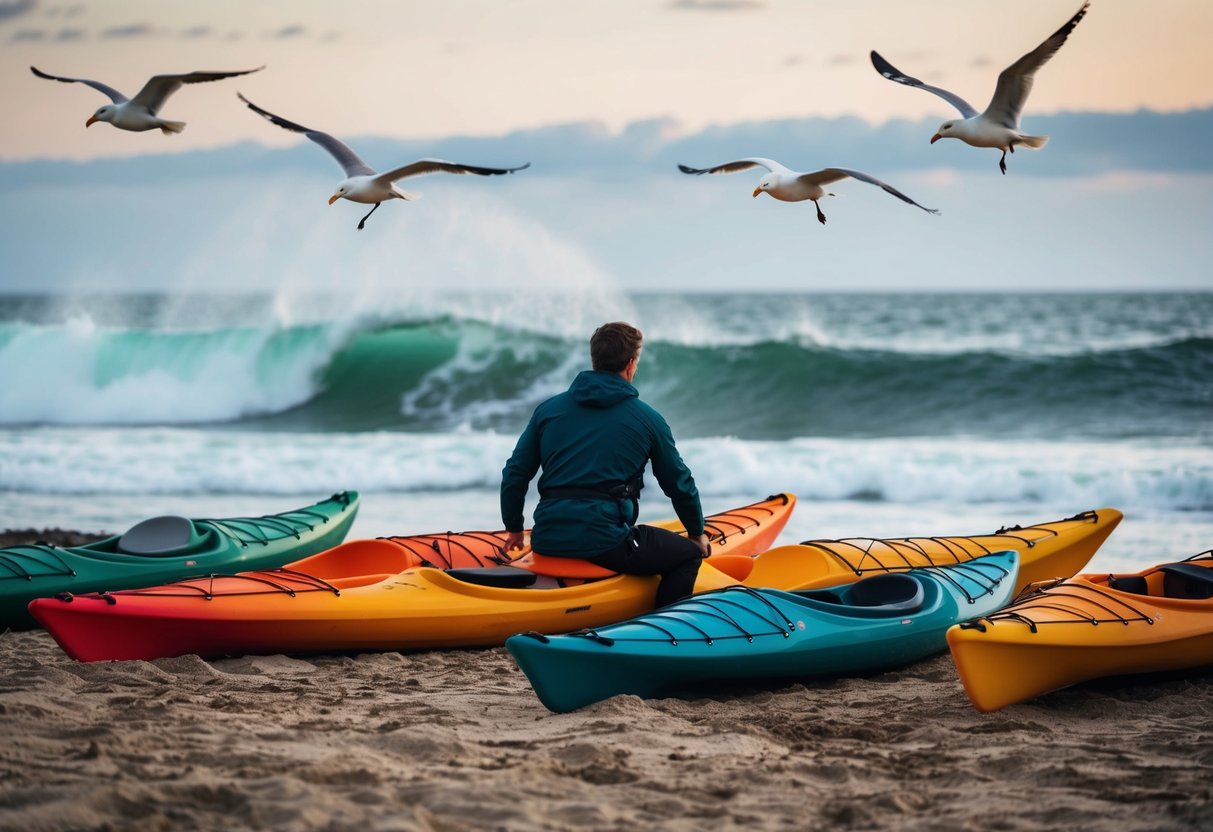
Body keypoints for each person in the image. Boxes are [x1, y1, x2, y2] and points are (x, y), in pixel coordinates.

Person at [500, 321, 710, 607]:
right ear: (630, 364)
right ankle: (663, 626)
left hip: (547, 537)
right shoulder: (648, 419)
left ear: (595, 359)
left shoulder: (548, 410)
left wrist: (514, 528)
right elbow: (678, 483)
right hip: (605, 543)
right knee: (686, 555)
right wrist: (696, 534)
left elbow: (515, 474)